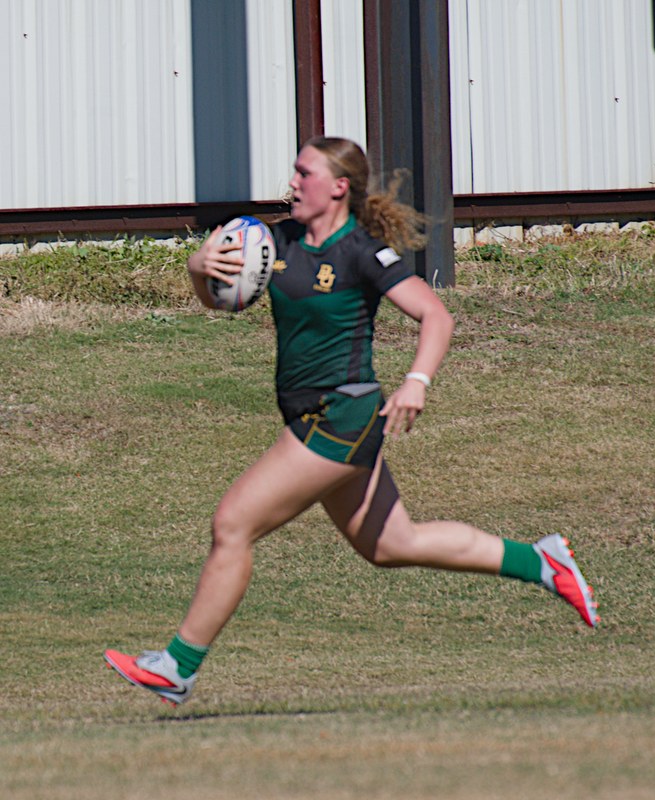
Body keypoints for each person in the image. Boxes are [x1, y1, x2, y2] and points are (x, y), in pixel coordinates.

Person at [104, 137, 599, 706]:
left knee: (233, 525)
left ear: (338, 186)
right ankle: (539, 562)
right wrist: (198, 268)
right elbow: (221, 301)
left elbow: (435, 314)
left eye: (303, 173)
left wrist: (417, 381)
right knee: (392, 545)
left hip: (342, 415)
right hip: (314, 415)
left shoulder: (361, 252)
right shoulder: (275, 241)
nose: (291, 183)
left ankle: (177, 666)